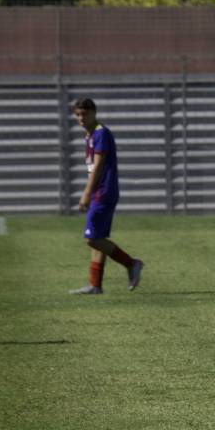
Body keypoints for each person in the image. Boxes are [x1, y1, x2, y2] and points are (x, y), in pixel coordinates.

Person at [69, 98, 143, 295]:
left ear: (94, 112)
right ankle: (95, 285)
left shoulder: (101, 133)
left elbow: (99, 165)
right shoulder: (90, 135)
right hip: (100, 191)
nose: (81, 118)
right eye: (77, 115)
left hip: (103, 191)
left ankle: (132, 263)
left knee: (92, 239)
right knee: (98, 236)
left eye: (84, 114)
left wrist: (86, 193)